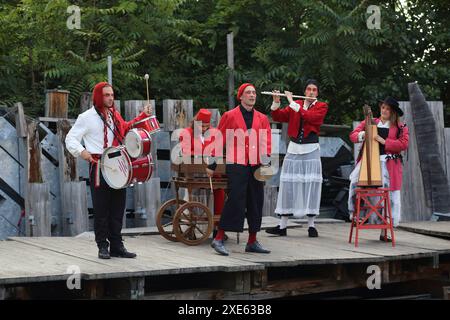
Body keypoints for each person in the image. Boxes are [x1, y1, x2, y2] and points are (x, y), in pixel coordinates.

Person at [65, 82, 152, 259]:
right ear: (98, 96)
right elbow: (70, 138)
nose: (111, 98)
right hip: (98, 165)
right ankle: (102, 246)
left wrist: (143, 115)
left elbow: (125, 129)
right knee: (101, 208)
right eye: (107, 95)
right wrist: (82, 152)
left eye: (112, 95)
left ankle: (117, 246)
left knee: (118, 208)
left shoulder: (114, 115)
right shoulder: (86, 117)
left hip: (118, 166)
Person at [207, 83, 272, 256]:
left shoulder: (262, 118)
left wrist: (266, 163)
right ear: (241, 96)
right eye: (248, 93)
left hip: (256, 164)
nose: (252, 95)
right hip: (237, 163)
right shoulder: (230, 116)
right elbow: (218, 139)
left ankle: (252, 241)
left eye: (254, 93)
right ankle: (219, 238)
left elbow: (266, 143)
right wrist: (212, 164)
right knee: (235, 199)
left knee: (256, 201)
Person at [266, 79, 328, 237]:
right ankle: (282, 225)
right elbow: (278, 116)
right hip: (294, 148)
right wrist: (276, 102)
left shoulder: (321, 106)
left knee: (311, 185)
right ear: (305, 91)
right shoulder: (297, 104)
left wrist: (293, 102)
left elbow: (310, 118)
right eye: (309, 89)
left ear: (317, 93)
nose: (311, 92)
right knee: (288, 184)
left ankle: (311, 226)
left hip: (311, 149)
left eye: (314, 90)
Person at [348, 97, 409, 241]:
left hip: (389, 165)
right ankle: (356, 215)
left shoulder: (400, 126)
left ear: (393, 112)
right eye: (383, 108)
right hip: (369, 162)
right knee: (354, 182)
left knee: (390, 197)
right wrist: (364, 134)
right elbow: (353, 135)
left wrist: (384, 142)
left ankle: (385, 231)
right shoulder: (370, 122)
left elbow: (404, 143)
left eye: (388, 109)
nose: (384, 111)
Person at [179, 108, 226, 239]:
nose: (204, 128)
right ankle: (190, 227)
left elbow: (217, 151)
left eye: (207, 126)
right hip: (194, 171)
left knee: (220, 189)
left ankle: (218, 226)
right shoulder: (186, 133)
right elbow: (186, 151)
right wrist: (203, 155)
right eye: (202, 126)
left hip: (211, 171)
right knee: (192, 190)